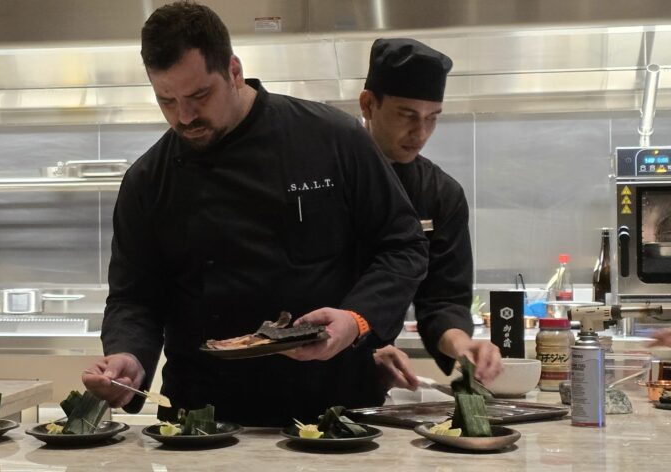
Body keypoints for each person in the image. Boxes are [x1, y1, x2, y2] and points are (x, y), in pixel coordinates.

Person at [81, 1, 429, 427]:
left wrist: (355, 320)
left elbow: (404, 245)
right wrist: (128, 357)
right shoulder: (148, 181)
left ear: (234, 70)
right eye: (166, 100)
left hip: (335, 413)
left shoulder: (332, 138)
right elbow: (134, 297)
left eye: (198, 96)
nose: (184, 117)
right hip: (203, 422)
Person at [358, 38, 502, 388]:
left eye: (431, 118)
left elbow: (442, 300)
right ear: (368, 104)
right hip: (302, 368)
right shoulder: (323, 175)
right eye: (406, 115)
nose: (420, 133)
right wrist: (358, 347)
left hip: (375, 378)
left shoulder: (441, 194)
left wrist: (462, 344)